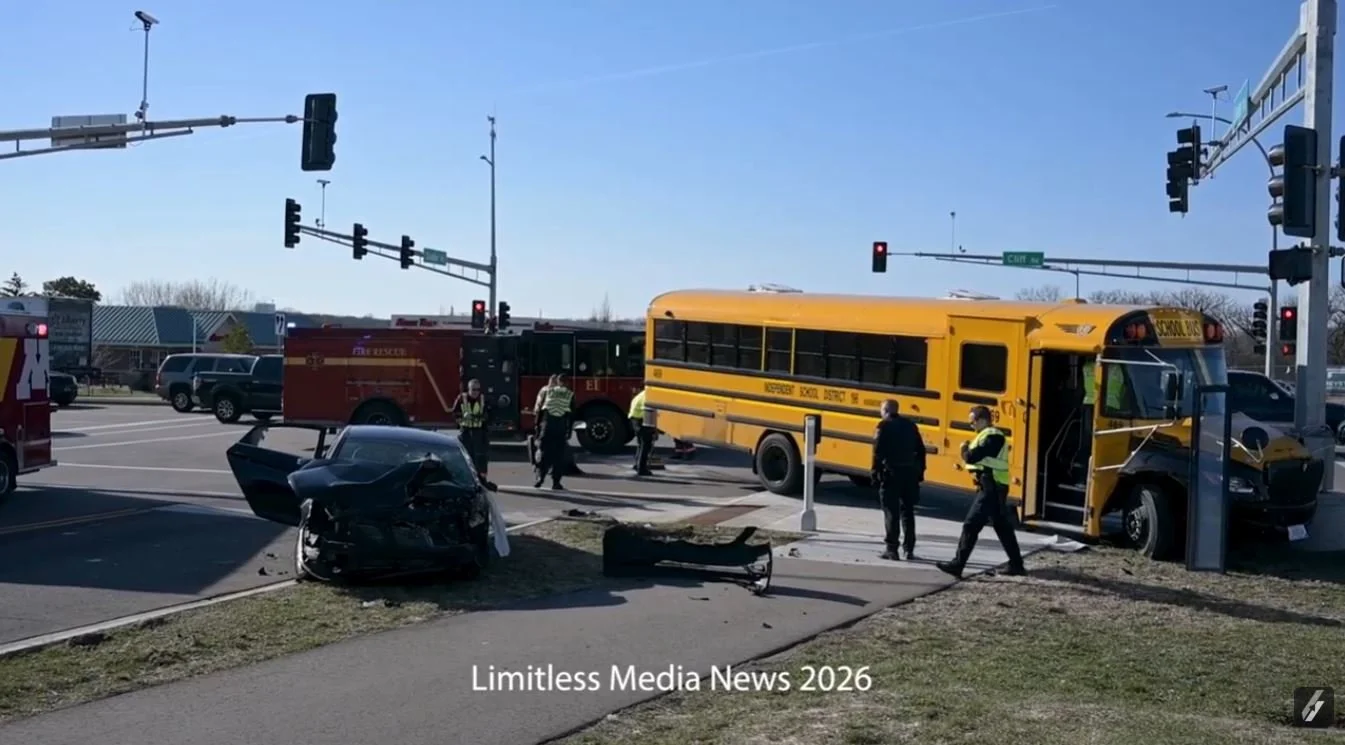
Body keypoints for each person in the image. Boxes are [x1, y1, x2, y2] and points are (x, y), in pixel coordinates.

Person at [937, 405, 1026, 579]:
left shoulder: (993, 436)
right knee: (1002, 527)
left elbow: (973, 456)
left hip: (991, 486)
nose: (971, 425)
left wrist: (964, 449)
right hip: (992, 485)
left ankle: (957, 564)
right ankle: (1017, 564)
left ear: (982, 420)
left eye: (972, 422)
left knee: (971, 525)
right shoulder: (985, 436)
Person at [870, 399, 926, 560]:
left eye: (881, 409)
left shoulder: (883, 426)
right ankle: (909, 549)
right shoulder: (911, 426)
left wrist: (875, 473)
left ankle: (891, 549)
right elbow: (921, 450)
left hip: (891, 473)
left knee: (891, 512)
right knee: (908, 512)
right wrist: (920, 472)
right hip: (910, 474)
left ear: (886, 410)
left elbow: (877, 452)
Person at [533, 374, 574, 489]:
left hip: (547, 427)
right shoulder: (569, 395)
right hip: (560, 429)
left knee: (543, 453)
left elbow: (540, 410)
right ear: (566, 383)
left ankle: (540, 478)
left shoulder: (547, 392)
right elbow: (570, 415)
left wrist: (537, 427)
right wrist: (569, 431)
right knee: (558, 456)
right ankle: (556, 482)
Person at [453, 379, 492, 478]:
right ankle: (467, 477)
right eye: (473, 389)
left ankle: (482, 479)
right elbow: (454, 414)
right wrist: (462, 417)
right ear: (468, 389)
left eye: (478, 390)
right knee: (465, 456)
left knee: (481, 457)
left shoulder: (483, 399)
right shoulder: (462, 398)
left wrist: (478, 417)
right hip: (465, 431)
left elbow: (488, 416)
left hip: (479, 432)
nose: (476, 392)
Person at [628, 387, 655, 476]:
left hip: (635, 420)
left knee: (641, 444)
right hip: (640, 420)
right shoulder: (647, 396)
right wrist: (653, 428)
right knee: (645, 445)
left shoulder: (642, 394)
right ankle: (642, 469)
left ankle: (637, 465)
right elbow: (648, 412)